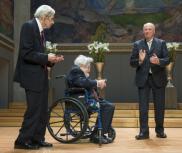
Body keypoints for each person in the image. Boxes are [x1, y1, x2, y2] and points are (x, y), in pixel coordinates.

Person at [14, 5, 64, 149]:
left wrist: (51, 60)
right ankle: (22, 141)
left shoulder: (41, 32)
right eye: (52, 19)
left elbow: (38, 57)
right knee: (34, 110)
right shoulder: (28, 26)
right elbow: (26, 53)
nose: (53, 22)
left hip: (40, 76)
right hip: (31, 77)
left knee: (42, 110)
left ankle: (37, 139)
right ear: (44, 17)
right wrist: (46, 56)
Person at [130, 23, 169, 140]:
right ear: (143, 31)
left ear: (154, 31)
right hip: (143, 80)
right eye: (145, 29)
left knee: (160, 106)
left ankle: (160, 131)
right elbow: (132, 62)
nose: (147, 31)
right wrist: (140, 61)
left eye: (149, 29)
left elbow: (167, 60)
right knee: (143, 107)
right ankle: (144, 132)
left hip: (158, 78)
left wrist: (159, 61)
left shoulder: (161, 43)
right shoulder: (137, 44)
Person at [66, 55, 115, 144]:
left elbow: (86, 84)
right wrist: (97, 82)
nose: (89, 69)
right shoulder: (75, 70)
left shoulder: (80, 72)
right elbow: (82, 83)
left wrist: (97, 83)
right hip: (81, 101)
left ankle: (99, 132)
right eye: (87, 67)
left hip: (87, 99)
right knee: (108, 106)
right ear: (82, 65)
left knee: (109, 106)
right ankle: (97, 134)